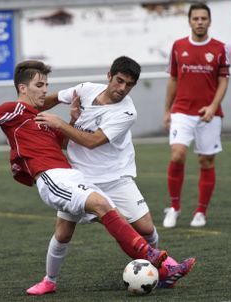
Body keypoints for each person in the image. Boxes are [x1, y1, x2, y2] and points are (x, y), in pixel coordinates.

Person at [0, 60, 168, 282]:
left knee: (65, 233)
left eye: (46, 85)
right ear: (23, 88)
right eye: (40, 85)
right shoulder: (14, 110)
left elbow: (73, 142)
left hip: (81, 175)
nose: (45, 90)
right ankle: (157, 260)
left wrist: (70, 121)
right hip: (55, 177)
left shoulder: (49, 121)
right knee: (101, 208)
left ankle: (49, 282)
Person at [26, 56, 195, 295]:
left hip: (114, 177)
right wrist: (23, 108)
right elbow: (48, 101)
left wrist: (61, 124)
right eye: (119, 81)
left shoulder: (127, 112)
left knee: (146, 229)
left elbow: (93, 141)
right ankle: (49, 281)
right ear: (109, 76)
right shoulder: (85, 90)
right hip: (79, 179)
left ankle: (159, 271)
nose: (122, 88)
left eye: (129, 84)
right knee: (63, 234)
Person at [162, 2, 230, 228]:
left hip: (209, 114)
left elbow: (224, 80)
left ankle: (200, 211)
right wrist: (167, 110)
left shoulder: (220, 48)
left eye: (204, 18)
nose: (200, 22)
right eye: (196, 18)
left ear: (209, 21)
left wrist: (212, 107)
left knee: (206, 161)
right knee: (177, 155)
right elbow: (172, 79)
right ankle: (174, 207)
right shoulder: (178, 46)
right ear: (189, 21)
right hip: (182, 110)